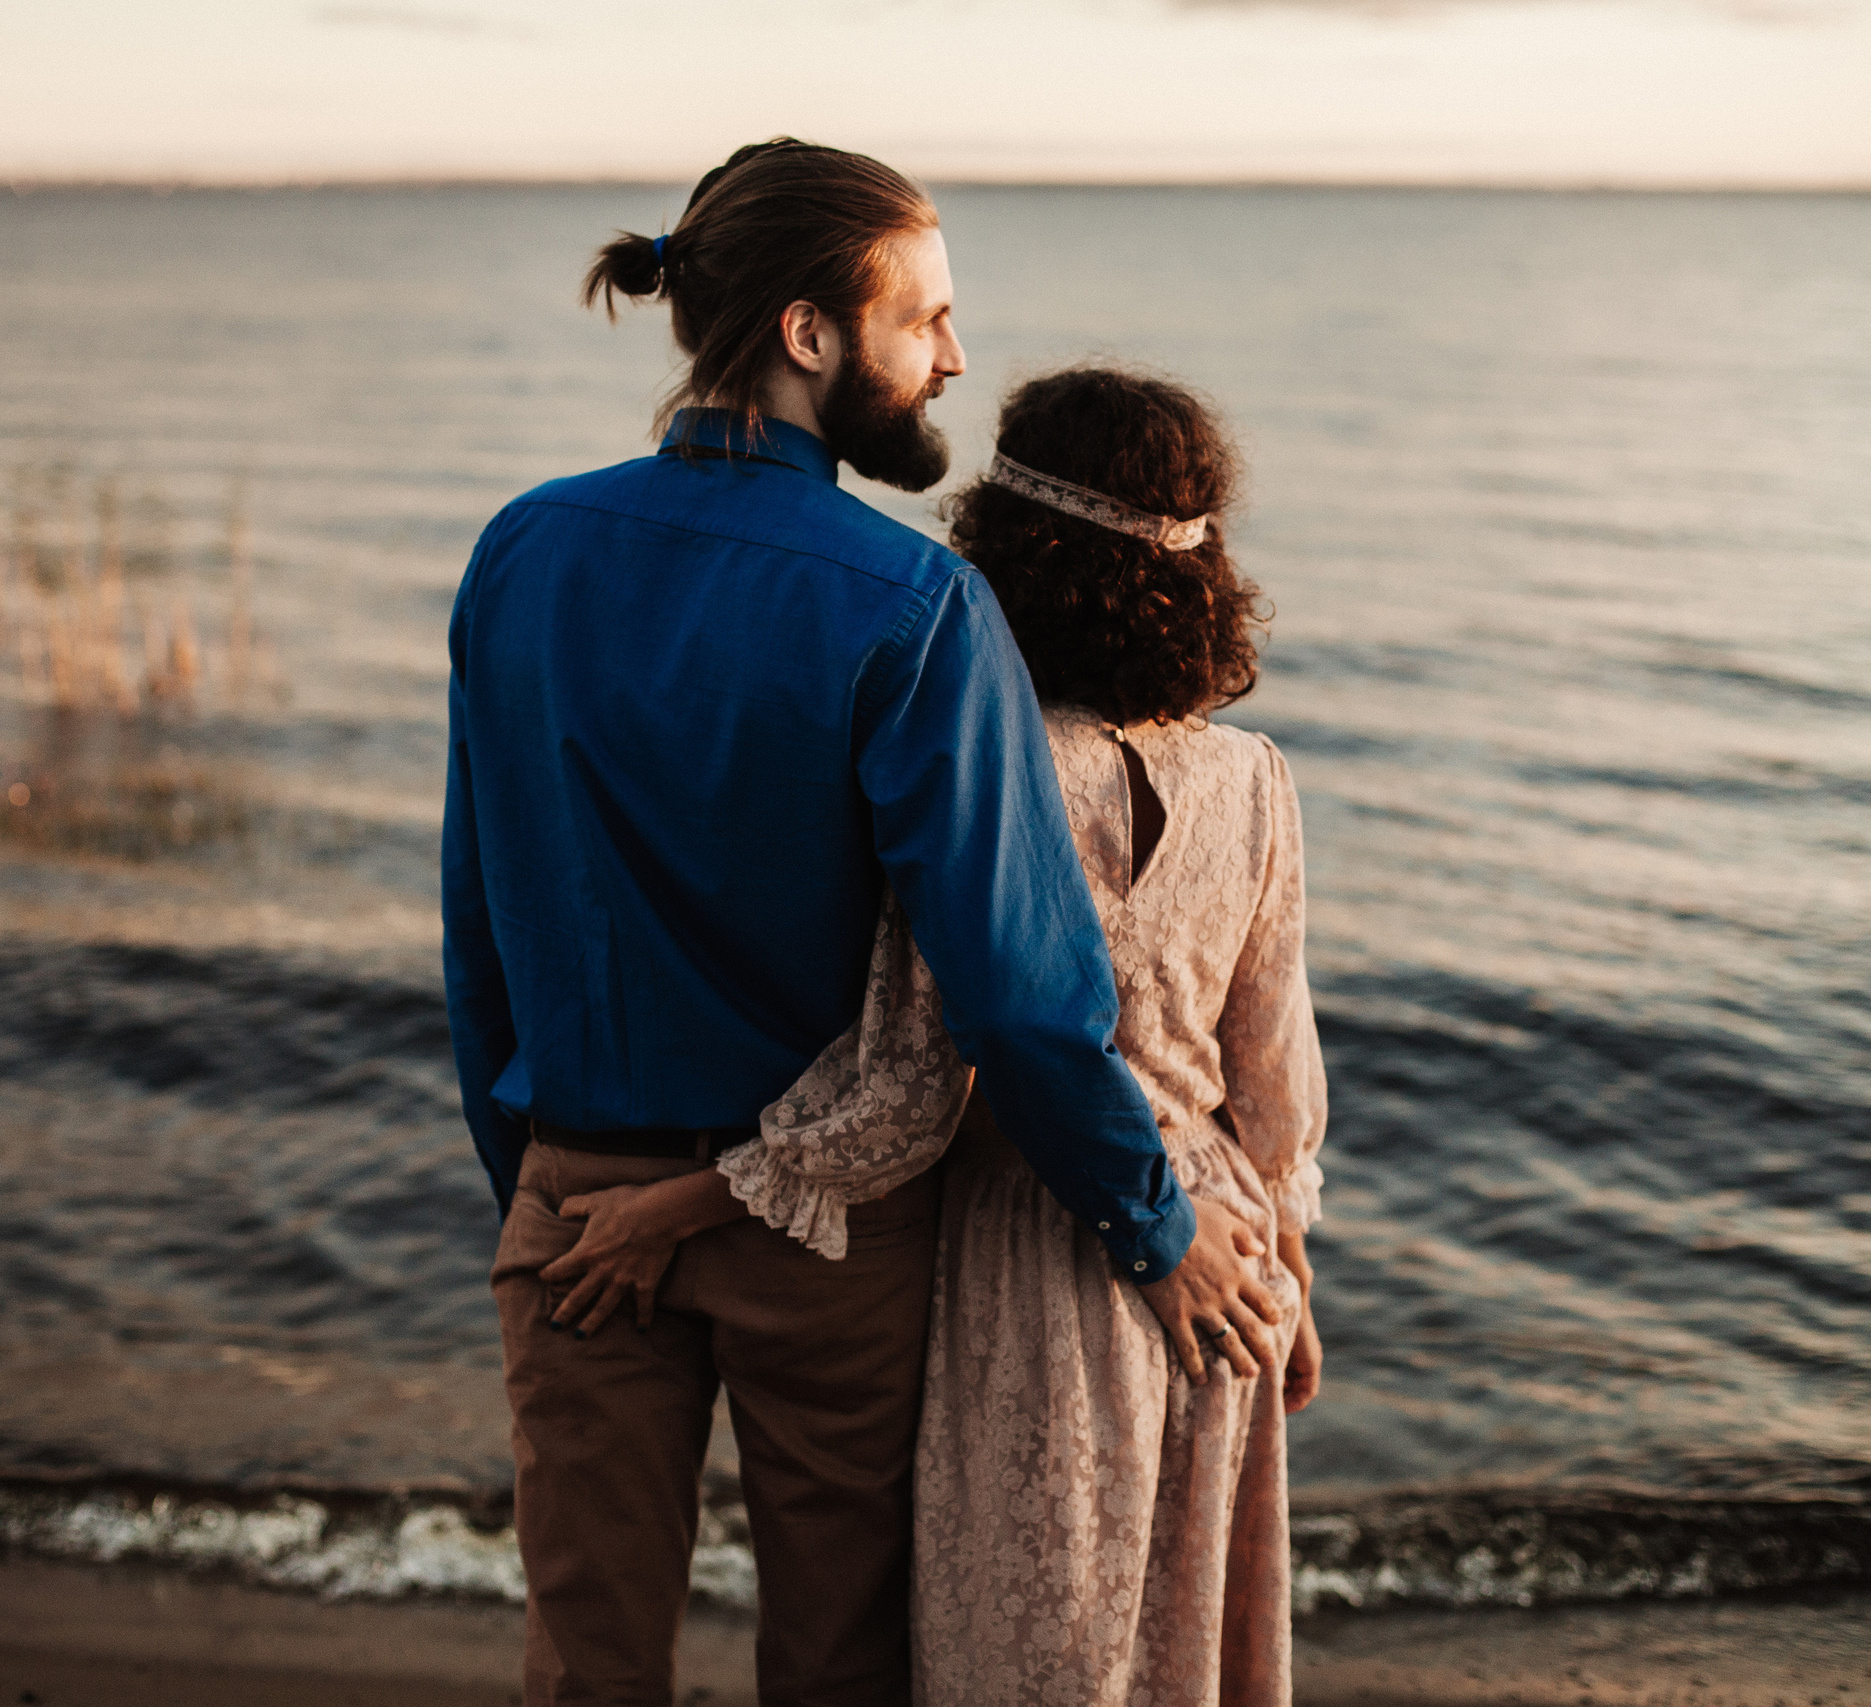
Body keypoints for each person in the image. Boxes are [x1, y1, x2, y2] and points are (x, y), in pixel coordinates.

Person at [439, 141, 1281, 1706]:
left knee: (587, 1664)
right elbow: (1019, 1001)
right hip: (823, 1248)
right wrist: (1156, 1230)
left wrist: (540, 1192)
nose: (953, 356)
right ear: (811, 334)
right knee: (837, 1664)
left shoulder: (523, 550)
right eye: (926, 318)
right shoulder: (915, 606)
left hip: (580, 1206)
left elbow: (481, 928)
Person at [723, 367, 1328, 1706]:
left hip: (1045, 1248)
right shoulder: (1257, 780)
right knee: (1185, 1651)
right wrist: (1291, 1277)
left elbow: (909, 1081)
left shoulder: (996, 776)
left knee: (1036, 1651)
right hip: (1230, 1255)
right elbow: (1276, 1086)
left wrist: (687, 1197)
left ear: (1011, 551)